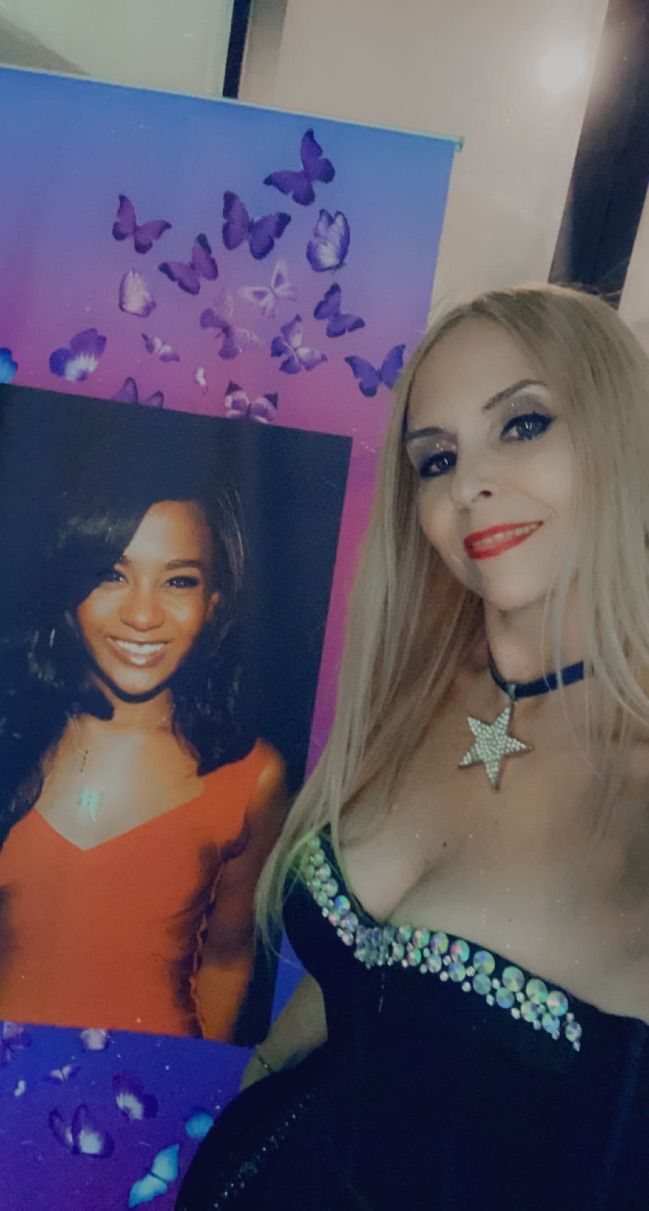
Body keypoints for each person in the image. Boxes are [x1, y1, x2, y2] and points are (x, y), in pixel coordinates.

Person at [178, 284, 649, 1209]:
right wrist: (253, 1088)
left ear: (622, 438)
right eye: (436, 458)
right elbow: (347, 997)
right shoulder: (412, 692)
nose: (467, 484)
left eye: (521, 424)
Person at [0, 478, 287, 1039]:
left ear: (213, 603)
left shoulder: (251, 777)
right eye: (112, 574)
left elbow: (228, 959)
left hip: (152, 1082)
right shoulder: (12, 732)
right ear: (69, 589)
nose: (142, 614)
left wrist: (194, 1082)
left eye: (178, 581)